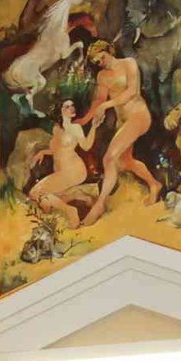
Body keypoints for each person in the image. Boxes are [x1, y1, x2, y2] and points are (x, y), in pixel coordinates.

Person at [72, 40, 163, 225]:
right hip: (123, 122)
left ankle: (99, 205)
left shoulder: (129, 63)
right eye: (97, 62)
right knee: (125, 161)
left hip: (139, 115)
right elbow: (98, 100)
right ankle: (154, 184)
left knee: (109, 158)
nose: (101, 63)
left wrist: (107, 105)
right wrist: (85, 119)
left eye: (102, 58)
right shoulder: (102, 76)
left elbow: (132, 92)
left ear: (108, 51)